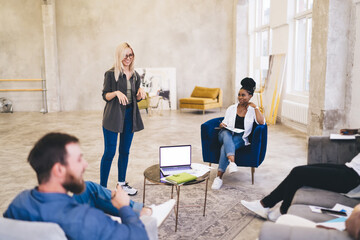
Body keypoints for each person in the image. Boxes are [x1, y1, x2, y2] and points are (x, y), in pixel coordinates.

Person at [3, 132, 176, 240]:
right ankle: (146, 215)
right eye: (79, 159)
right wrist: (124, 207)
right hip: (71, 218)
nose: (85, 164)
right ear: (58, 170)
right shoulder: (85, 219)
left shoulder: (20, 200)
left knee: (89, 187)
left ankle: (146, 210)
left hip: (53, 208)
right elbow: (139, 237)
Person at [241, 152, 360, 222]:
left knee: (298, 173)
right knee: (300, 171)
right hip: (348, 167)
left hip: (350, 179)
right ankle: (264, 204)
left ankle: (281, 210)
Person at [101, 42, 146, 195]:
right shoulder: (111, 74)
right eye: (125, 55)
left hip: (129, 116)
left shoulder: (135, 75)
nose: (128, 58)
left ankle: (121, 184)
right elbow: (105, 95)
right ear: (119, 55)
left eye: (131, 55)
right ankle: (102, 188)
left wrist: (140, 94)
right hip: (112, 118)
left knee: (125, 151)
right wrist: (116, 93)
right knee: (110, 152)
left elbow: (136, 98)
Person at [211, 77, 265, 190]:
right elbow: (224, 123)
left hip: (240, 137)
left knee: (224, 147)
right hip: (225, 133)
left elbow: (261, 122)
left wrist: (255, 107)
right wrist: (222, 125)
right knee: (226, 134)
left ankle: (219, 178)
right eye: (239, 95)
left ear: (250, 96)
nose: (240, 97)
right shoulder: (231, 108)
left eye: (243, 95)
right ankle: (232, 161)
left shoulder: (252, 110)